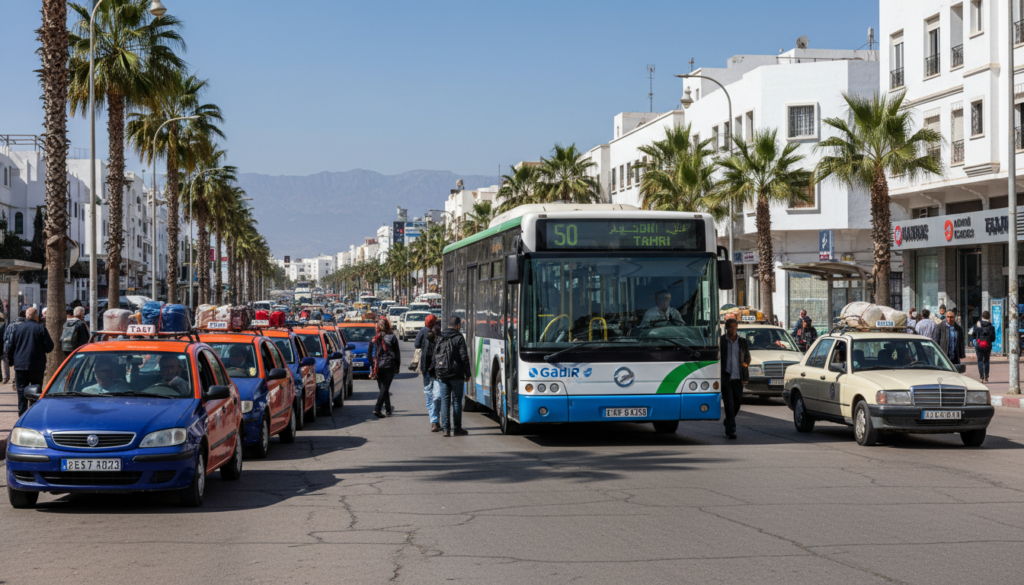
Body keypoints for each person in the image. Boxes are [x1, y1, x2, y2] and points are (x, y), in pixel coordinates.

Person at [6, 307, 54, 414]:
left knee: (21, 390)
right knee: (36, 390)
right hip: (37, 365)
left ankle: (22, 413)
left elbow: (10, 346)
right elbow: (49, 347)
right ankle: (34, 413)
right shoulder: (40, 328)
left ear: (26, 316)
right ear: (37, 317)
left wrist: (11, 362)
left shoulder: (17, 328)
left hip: (20, 365)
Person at [435, 315, 471, 437]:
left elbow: (436, 354)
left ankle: (445, 429)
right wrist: (468, 373)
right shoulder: (459, 337)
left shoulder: (441, 336)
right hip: (456, 373)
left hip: (442, 373)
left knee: (445, 401)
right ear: (458, 326)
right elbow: (464, 357)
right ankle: (457, 428)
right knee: (456, 400)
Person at [719, 318, 750, 440]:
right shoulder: (721, 341)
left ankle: (728, 421)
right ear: (726, 328)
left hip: (738, 377)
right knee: (729, 404)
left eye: (734, 327)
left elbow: (747, 356)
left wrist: (746, 363)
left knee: (737, 403)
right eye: (730, 327)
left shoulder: (742, 342)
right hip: (726, 376)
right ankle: (732, 429)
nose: (733, 329)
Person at [414, 314, 441, 432]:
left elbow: (416, 345)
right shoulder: (439, 331)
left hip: (426, 367)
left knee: (430, 394)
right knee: (437, 394)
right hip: (438, 368)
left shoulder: (423, 331)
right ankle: (436, 420)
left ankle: (434, 420)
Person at [369, 317, 400, 418]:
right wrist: (397, 366)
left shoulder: (375, 338)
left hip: (378, 366)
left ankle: (388, 409)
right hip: (389, 365)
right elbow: (397, 353)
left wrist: (372, 365)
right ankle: (377, 409)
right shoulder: (392, 337)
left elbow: (369, 353)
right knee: (384, 388)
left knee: (383, 388)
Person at [970, 311, 996, 383]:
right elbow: (993, 339)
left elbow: (973, 335)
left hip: (979, 345)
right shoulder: (991, 327)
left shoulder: (977, 325)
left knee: (980, 360)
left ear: (982, 316)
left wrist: (974, 340)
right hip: (988, 346)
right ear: (989, 317)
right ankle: (986, 376)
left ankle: (981, 377)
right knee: (986, 360)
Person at [0, 314, 8, 385]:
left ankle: (3, 377)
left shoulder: (4, 327)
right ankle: (5, 378)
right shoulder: (4, 326)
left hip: (2, 345)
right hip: (3, 345)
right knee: (5, 362)